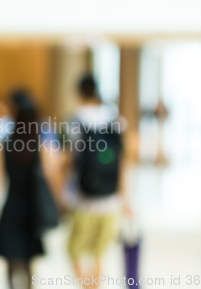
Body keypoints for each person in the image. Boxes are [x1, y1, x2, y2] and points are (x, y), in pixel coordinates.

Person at [62, 75, 131, 288]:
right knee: (100, 253)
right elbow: (123, 160)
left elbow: (68, 160)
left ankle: (85, 285)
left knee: (74, 249)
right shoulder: (116, 121)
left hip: (83, 196)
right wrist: (125, 195)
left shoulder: (74, 122)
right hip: (111, 198)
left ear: (78, 93)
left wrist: (62, 193)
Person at [0, 91, 55, 289]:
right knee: (28, 261)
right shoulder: (40, 140)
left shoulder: (5, 140)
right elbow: (52, 171)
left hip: (12, 205)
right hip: (33, 207)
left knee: (11, 259)